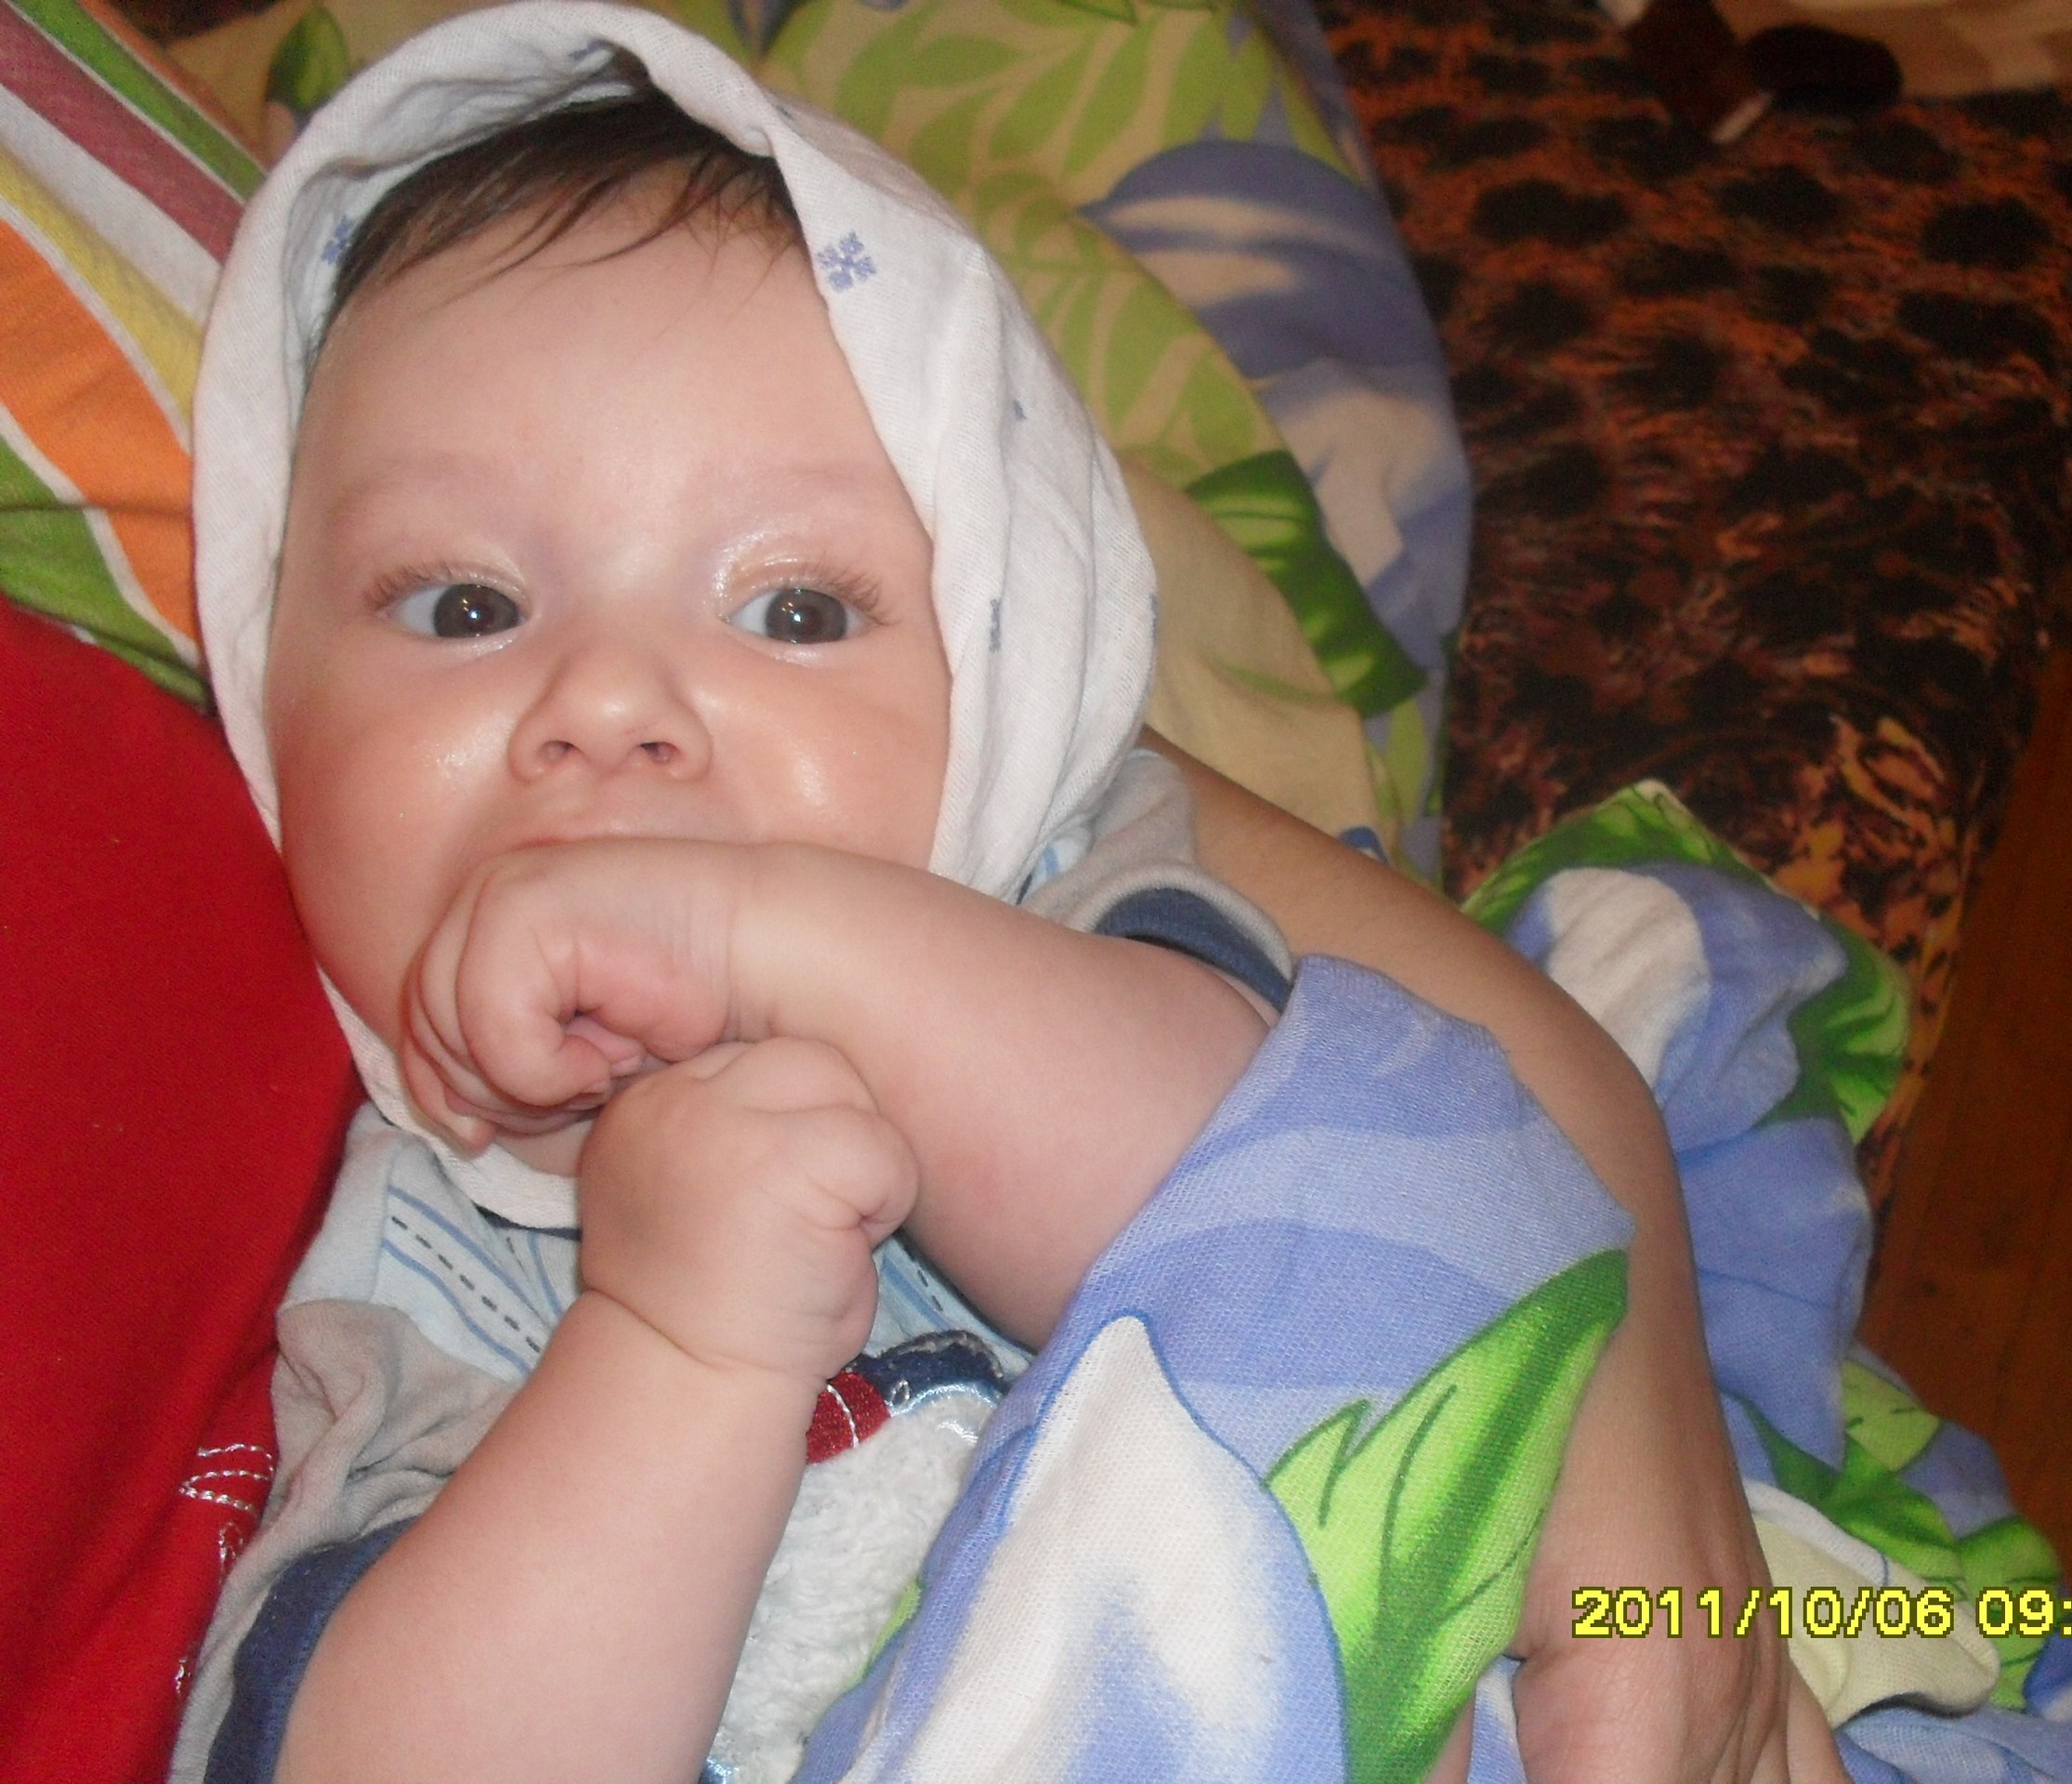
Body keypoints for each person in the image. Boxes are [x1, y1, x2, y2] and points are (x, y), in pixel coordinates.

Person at [175, 7, 1842, 1781]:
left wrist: (768, 942)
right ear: (269, 691)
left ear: (1001, 691)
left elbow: (1327, 1193)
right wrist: (674, 1348)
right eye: (465, 606)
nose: (608, 703)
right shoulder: (409, 1286)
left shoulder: (1073, 910)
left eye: (795, 611)